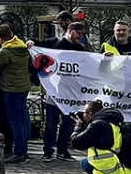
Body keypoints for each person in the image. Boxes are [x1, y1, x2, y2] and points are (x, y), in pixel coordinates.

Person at [30, 22, 89, 162]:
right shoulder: (54, 43)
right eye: (78, 33)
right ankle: (48, 151)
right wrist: (31, 42)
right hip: (55, 92)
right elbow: (37, 44)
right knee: (51, 123)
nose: (80, 36)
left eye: (82, 33)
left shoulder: (81, 48)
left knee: (68, 123)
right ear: (70, 31)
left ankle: (62, 150)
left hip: (72, 93)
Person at [72, 100, 131, 174]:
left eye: (84, 113)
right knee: (85, 162)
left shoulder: (97, 125)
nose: (82, 115)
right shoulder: (110, 121)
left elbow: (76, 142)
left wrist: (78, 125)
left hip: (110, 170)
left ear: (90, 114)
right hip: (123, 166)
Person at [0, 24, 32, 162]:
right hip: (24, 87)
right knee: (23, 118)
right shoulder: (23, 47)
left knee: (15, 121)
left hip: (11, 88)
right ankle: (25, 149)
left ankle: (19, 152)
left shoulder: (4, 52)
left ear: (0, 38)